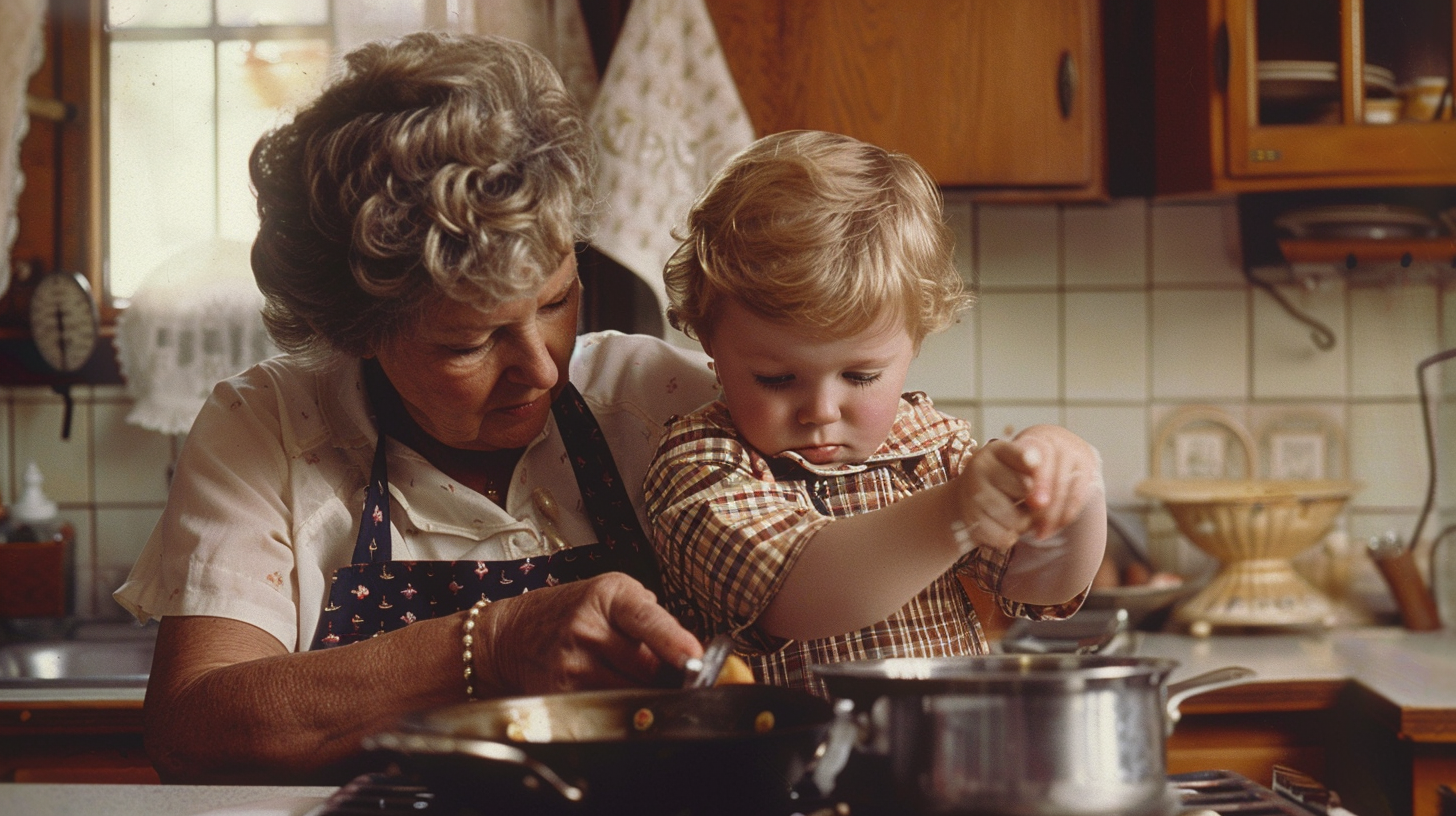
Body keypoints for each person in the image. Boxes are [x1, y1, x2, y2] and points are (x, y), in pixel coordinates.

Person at [112, 32, 721, 784]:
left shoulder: (665, 406)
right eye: (470, 342)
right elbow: (193, 727)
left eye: (559, 301)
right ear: (356, 333)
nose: (540, 366)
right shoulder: (270, 427)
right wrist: (489, 646)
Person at [643, 130, 1107, 696]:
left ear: (915, 343)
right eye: (775, 378)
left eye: (860, 376)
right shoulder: (700, 465)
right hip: (784, 774)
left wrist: (1068, 480)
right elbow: (799, 593)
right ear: (710, 343)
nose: (820, 410)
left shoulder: (930, 446)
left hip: (944, 767)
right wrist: (951, 516)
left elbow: (1040, 583)